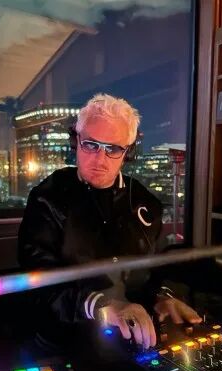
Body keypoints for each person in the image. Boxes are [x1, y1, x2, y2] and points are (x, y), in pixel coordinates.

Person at [18, 93, 201, 352]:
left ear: (129, 152)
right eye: (90, 145)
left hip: (133, 343)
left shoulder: (146, 202)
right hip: (65, 345)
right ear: (76, 142)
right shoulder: (47, 198)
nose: (99, 160)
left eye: (113, 149)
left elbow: (157, 269)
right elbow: (38, 283)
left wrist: (163, 297)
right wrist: (102, 306)